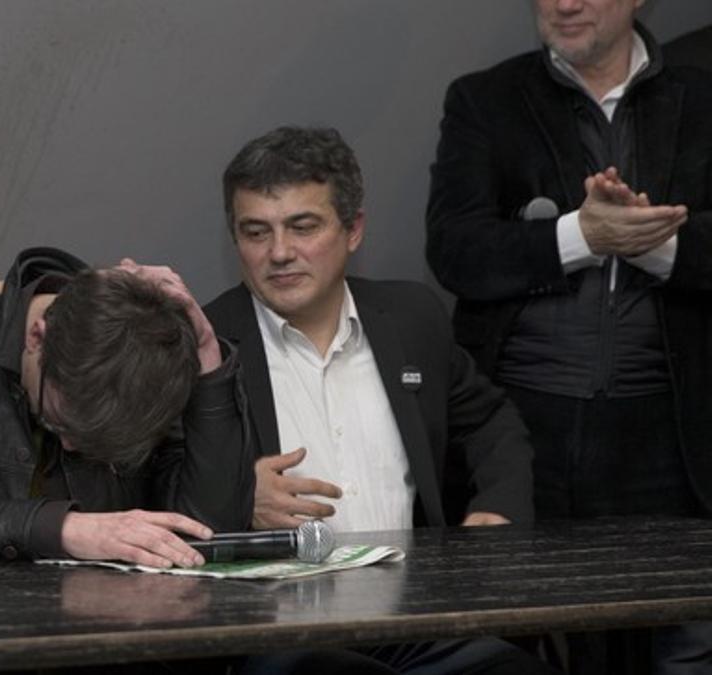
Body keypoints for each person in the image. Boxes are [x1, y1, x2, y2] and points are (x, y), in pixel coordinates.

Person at [427, 1, 712, 671]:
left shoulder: (702, 99)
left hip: (675, 434)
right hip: (527, 428)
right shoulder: (484, 100)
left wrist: (654, 246)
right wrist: (580, 236)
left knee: (686, 646)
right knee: (521, 641)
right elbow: (455, 249)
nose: (565, 3)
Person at [205, 126, 551, 674]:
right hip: (274, 633)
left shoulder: (411, 319)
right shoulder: (203, 346)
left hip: (414, 620)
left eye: (303, 226)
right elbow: (147, 489)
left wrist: (499, 511)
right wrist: (233, 499)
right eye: (255, 232)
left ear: (354, 230)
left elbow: (489, 419)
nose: (279, 253)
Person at [0, 246, 255, 568]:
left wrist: (207, 359)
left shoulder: (148, 366)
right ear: (37, 337)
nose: (74, 447)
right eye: (61, 421)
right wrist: (61, 529)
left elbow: (208, 533)